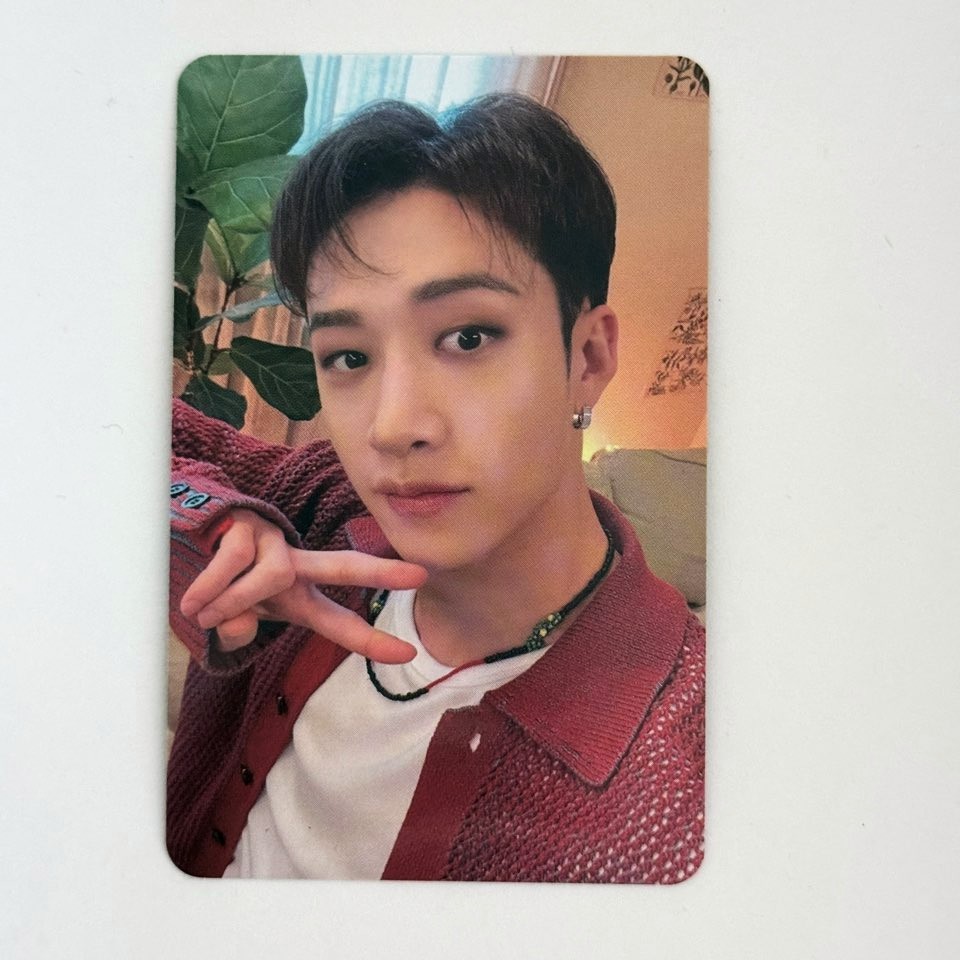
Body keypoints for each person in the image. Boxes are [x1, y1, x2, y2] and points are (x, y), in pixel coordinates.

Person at [169, 93, 704, 882]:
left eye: (468, 337)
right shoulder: (320, 505)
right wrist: (202, 533)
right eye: (349, 357)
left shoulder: (684, 798)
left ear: (587, 358)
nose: (392, 426)